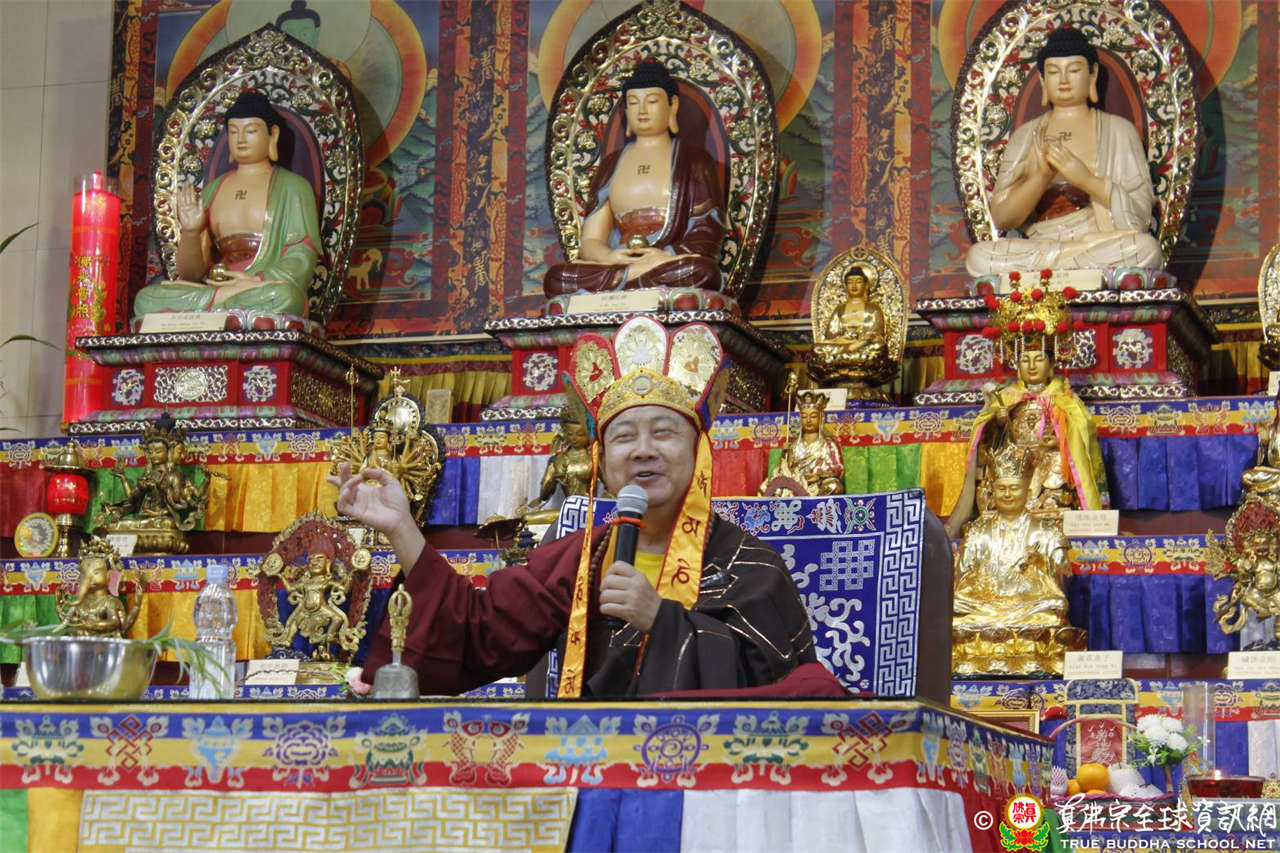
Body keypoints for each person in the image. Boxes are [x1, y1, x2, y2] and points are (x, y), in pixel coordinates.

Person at [339, 316, 842, 697]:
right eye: (623, 437)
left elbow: (788, 692)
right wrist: (401, 527)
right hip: (593, 769)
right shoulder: (582, 558)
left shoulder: (749, 567)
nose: (643, 450)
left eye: (663, 432)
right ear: (601, 460)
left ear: (698, 453)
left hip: (710, 786)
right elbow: (478, 629)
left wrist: (660, 619)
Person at [965, 27, 1163, 276]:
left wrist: (1086, 180)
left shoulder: (1119, 131)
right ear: (1042, 80)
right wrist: (1040, 178)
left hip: (1097, 241)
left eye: (1074, 70)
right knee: (979, 257)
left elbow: (1140, 217)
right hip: (1040, 244)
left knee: (1145, 249)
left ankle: (1059, 265)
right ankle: (1070, 259)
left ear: (1092, 74)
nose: (1064, 80)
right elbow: (1002, 218)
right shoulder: (1025, 137)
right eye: (1053, 72)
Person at [543, 60, 726, 296]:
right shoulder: (611, 165)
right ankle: (635, 279)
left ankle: (626, 284)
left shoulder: (694, 161)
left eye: (652, 101)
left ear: (672, 106)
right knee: (557, 278)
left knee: (702, 271)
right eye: (633, 102)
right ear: (626, 111)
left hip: (667, 263)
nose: (642, 111)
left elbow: (708, 230)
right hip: (619, 263)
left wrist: (666, 255)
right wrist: (608, 257)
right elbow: (590, 241)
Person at [133, 90, 323, 318]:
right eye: (233, 131)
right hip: (216, 287)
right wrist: (191, 232)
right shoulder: (213, 190)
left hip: (261, 289)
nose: (241, 139)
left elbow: (302, 255)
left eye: (250, 131)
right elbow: (191, 275)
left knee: (285, 297)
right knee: (146, 299)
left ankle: (218, 307)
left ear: (272, 134)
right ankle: (226, 304)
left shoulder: (294, 187)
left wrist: (256, 280)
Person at [947, 343, 1105, 537]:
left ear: (1051, 364)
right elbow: (985, 435)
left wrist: (1058, 442)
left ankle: (1050, 505)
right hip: (1015, 457)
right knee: (998, 465)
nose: (1032, 366)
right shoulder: (1007, 396)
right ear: (1017, 366)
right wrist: (998, 421)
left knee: (1058, 462)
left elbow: (1080, 431)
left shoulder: (1063, 397)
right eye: (1025, 360)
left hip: (1047, 457)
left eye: (1039, 359)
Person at [952, 447, 1071, 630]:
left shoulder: (1049, 532)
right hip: (986, 602)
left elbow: (1065, 578)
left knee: (1055, 608)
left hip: (1031, 604)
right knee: (957, 606)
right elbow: (962, 579)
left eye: (1014, 488)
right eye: (1001, 488)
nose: (1007, 494)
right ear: (993, 492)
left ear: (1027, 492)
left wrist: (1041, 562)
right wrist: (984, 582)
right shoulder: (977, 533)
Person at [761, 389, 844, 497]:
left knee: (834, 486)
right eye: (804, 416)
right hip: (796, 484)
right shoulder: (792, 446)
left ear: (821, 417)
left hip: (818, 484)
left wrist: (818, 476)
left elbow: (838, 469)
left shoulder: (829, 444)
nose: (808, 420)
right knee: (769, 487)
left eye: (813, 416)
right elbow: (784, 472)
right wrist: (785, 456)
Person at [811, 263, 888, 369]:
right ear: (846, 286)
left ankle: (841, 359)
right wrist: (845, 340)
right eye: (850, 282)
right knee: (817, 348)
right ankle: (853, 358)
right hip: (844, 345)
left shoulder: (873, 308)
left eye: (858, 282)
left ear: (866, 285)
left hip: (863, 346)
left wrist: (860, 341)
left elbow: (876, 334)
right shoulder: (839, 309)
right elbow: (830, 335)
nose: (854, 285)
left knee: (879, 347)